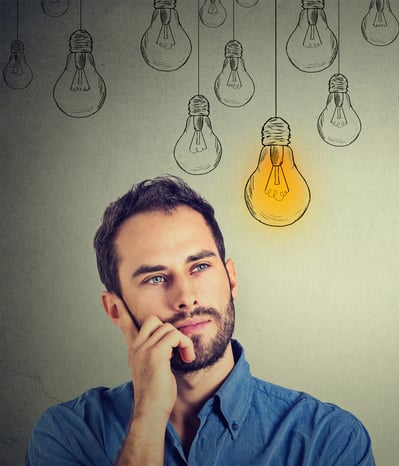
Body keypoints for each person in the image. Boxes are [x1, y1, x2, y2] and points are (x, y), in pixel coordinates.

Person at [26, 176, 375, 465]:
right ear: (115, 310)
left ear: (231, 279)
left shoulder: (327, 440)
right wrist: (148, 415)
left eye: (200, 267)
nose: (186, 297)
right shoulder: (67, 434)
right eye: (155, 278)